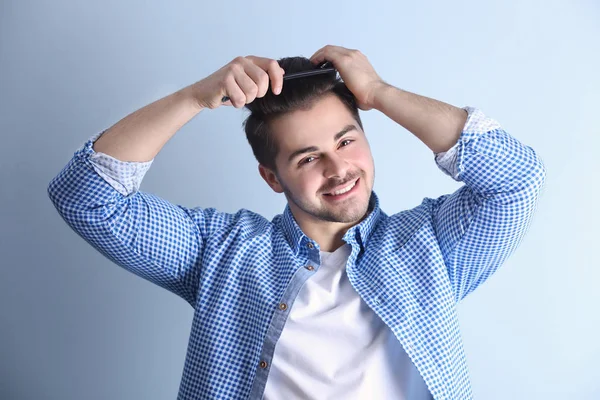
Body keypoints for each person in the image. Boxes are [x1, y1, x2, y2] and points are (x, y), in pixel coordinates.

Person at [47, 45, 546, 399]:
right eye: (308, 159)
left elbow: (517, 179)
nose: (338, 170)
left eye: (346, 141)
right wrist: (194, 98)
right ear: (272, 177)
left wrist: (378, 92)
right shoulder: (220, 251)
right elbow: (85, 197)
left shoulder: (432, 246)